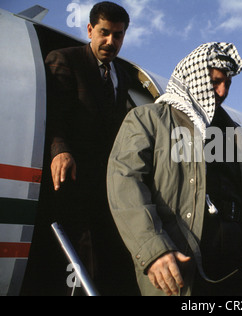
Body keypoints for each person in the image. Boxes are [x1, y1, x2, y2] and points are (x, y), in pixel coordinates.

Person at [107, 42, 242, 296]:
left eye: (227, 84)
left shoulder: (237, 137)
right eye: (215, 82)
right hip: (179, 268)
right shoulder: (148, 120)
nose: (222, 92)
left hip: (234, 272)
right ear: (192, 78)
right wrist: (153, 250)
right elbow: (124, 183)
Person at [22, 2, 139, 295]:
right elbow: (55, 113)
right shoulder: (64, 59)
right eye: (104, 33)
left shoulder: (121, 77)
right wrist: (60, 150)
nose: (111, 42)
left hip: (107, 187)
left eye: (118, 35)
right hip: (71, 182)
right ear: (90, 30)